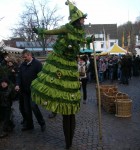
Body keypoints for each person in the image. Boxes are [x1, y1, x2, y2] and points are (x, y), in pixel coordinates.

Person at [31, 1, 94, 149]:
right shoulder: (67, 28)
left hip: (71, 66)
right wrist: (40, 30)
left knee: (70, 100)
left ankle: (69, 139)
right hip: (59, 62)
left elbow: (83, 40)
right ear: (77, 19)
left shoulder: (80, 33)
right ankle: (54, 108)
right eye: (82, 18)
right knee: (55, 86)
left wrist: (89, 40)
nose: (84, 20)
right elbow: (53, 31)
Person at [15, 50, 46, 132]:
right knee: (26, 109)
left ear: (30, 55)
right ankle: (30, 125)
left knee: (33, 107)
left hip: (34, 90)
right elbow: (19, 76)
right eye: (23, 57)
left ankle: (42, 123)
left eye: (25, 57)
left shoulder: (37, 64)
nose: (24, 59)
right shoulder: (22, 65)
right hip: (25, 91)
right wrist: (17, 84)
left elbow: (41, 77)